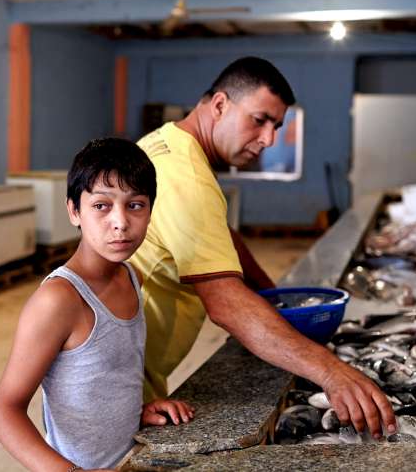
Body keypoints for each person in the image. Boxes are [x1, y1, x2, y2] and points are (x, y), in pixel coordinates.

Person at [129, 57, 397, 439]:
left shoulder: (167, 144)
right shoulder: (186, 178)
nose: (269, 139)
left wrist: (274, 298)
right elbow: (225, 305)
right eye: (259, 120)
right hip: (123, 383)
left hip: (133, 369)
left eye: (277, 126)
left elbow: (217, 236)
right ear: (219, 105)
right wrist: (330, 370)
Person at [0, 138, 194, 472]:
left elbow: (104, 379)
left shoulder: (131, 277)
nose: (120, 222)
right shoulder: (59, 300)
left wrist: (135, 412)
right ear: (74, 211)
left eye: (135, 205)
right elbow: (2, 411)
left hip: (129, 459)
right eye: (101, 206)